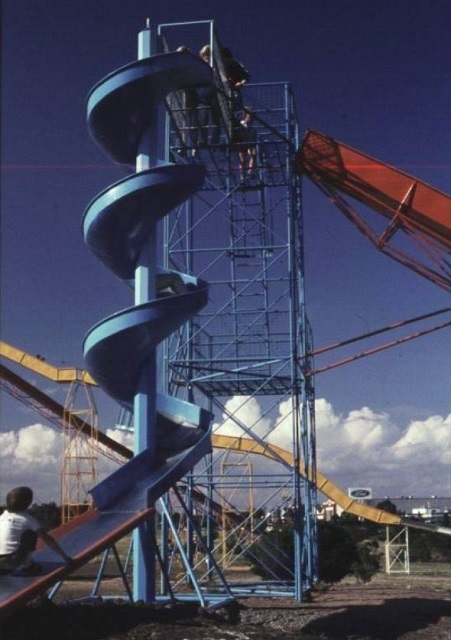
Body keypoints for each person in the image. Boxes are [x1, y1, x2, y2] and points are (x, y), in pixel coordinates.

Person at [0, 486, 72, 575]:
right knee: (31, 534)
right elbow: (47, 539)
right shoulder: (27, 519)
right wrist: (65, 557)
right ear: (28, 503)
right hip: (10, 562)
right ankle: (28, 566)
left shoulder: (2, 517)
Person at [196, 45, 222, 146]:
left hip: (213, 93)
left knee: (216, 118)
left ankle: (214, 140)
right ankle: (203, 140)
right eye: (206, 56)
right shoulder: (200, 66)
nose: (208, 58)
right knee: (203, 117)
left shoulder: (214, 66)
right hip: (203, 93)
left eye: (209, 56)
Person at [221, 47, 250, 115]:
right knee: (231, 111)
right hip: (224, 91)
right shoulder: (218, 66)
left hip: (232, 90)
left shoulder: (235, 64)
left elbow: (246, 76)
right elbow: (246, 76)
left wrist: (241, 83)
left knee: (234, 111)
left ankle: (234, 123)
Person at [237, 108, 258, 181]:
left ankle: (249, 173)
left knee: (253, 154)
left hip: (249, 144)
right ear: (246, 117)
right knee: (242, 159)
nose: (251, 120)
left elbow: (253, 140)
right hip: (241, 143)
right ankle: (242, 176)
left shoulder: (252, 129)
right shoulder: (239, 125)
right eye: (250, 117)